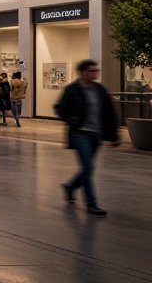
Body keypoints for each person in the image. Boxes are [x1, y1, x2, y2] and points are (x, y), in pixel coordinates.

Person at [55, 60, 119, 215]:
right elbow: (60, 108)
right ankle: (91, 203)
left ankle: (69, 187)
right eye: (92, 71)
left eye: (96, 71)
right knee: (89, 167)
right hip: (80, 133)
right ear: (82, 72)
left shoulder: (100, 90)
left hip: (95, 134)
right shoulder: (73, 89)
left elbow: (109, 114)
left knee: (86, 168)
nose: (95, 73)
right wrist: (72, 122)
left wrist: (114, 135)